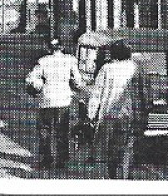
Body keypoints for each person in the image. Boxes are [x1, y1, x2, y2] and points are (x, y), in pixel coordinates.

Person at [86, 41, 145, 179]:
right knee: (127, 147)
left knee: (111, 149)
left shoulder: (107, 69)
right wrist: (143, 111)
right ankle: (125, 177)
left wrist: (91, 115)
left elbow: (96, 94)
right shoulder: (136, 68)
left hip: (109, 115)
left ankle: (113, 178)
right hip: (128, 114)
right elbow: (143, 92)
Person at [24, 38, 81, 173]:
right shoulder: (70, 60)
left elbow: (31, 79)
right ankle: (62, 159)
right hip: (63, 100)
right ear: (62, 47)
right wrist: (74, 84)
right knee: (62, 130)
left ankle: (46, 159)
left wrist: (37, 85)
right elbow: (78, 81)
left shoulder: (43, 61)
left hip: (47, 100)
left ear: (49, 48)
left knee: (45, 130)